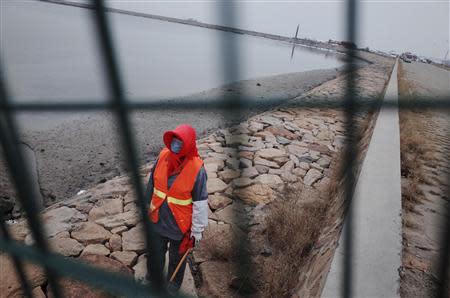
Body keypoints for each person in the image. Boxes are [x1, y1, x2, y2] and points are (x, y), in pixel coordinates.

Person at [145, 124, 208, 295]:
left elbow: (201, 203)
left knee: (176, 259)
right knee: (155, 253)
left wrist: (197, 231)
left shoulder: (197, 169)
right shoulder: (163, 156)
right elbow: (152, 183)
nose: (176, 144)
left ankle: (172, 287)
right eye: (174, 140)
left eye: (180, 141)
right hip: (157, 218)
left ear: (188, 144)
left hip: (180, 227)